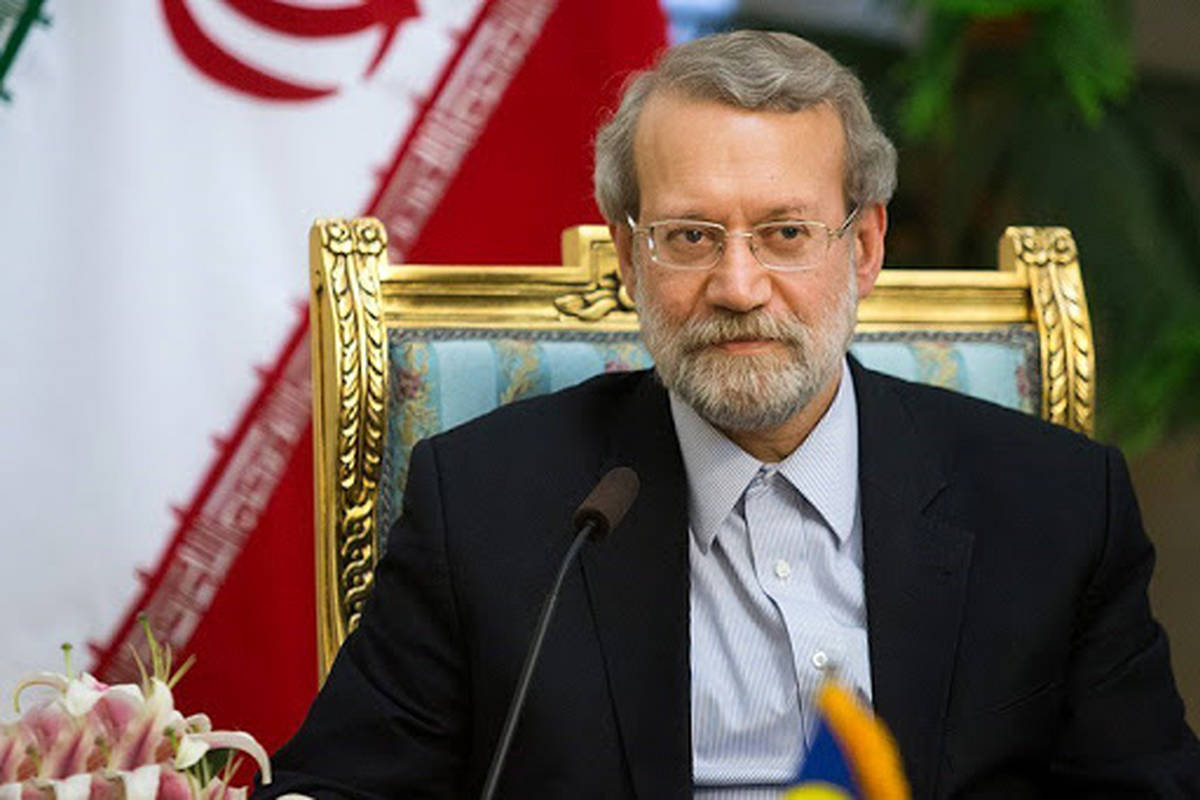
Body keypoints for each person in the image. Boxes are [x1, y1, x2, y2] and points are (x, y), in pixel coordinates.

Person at [261, 30, 1199, 798]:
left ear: (864, 247)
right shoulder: (488, 505)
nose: (738, 287)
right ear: (629, 258)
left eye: (786, 233)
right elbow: (340, 785)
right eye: (690, 237)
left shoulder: (1053, 504)